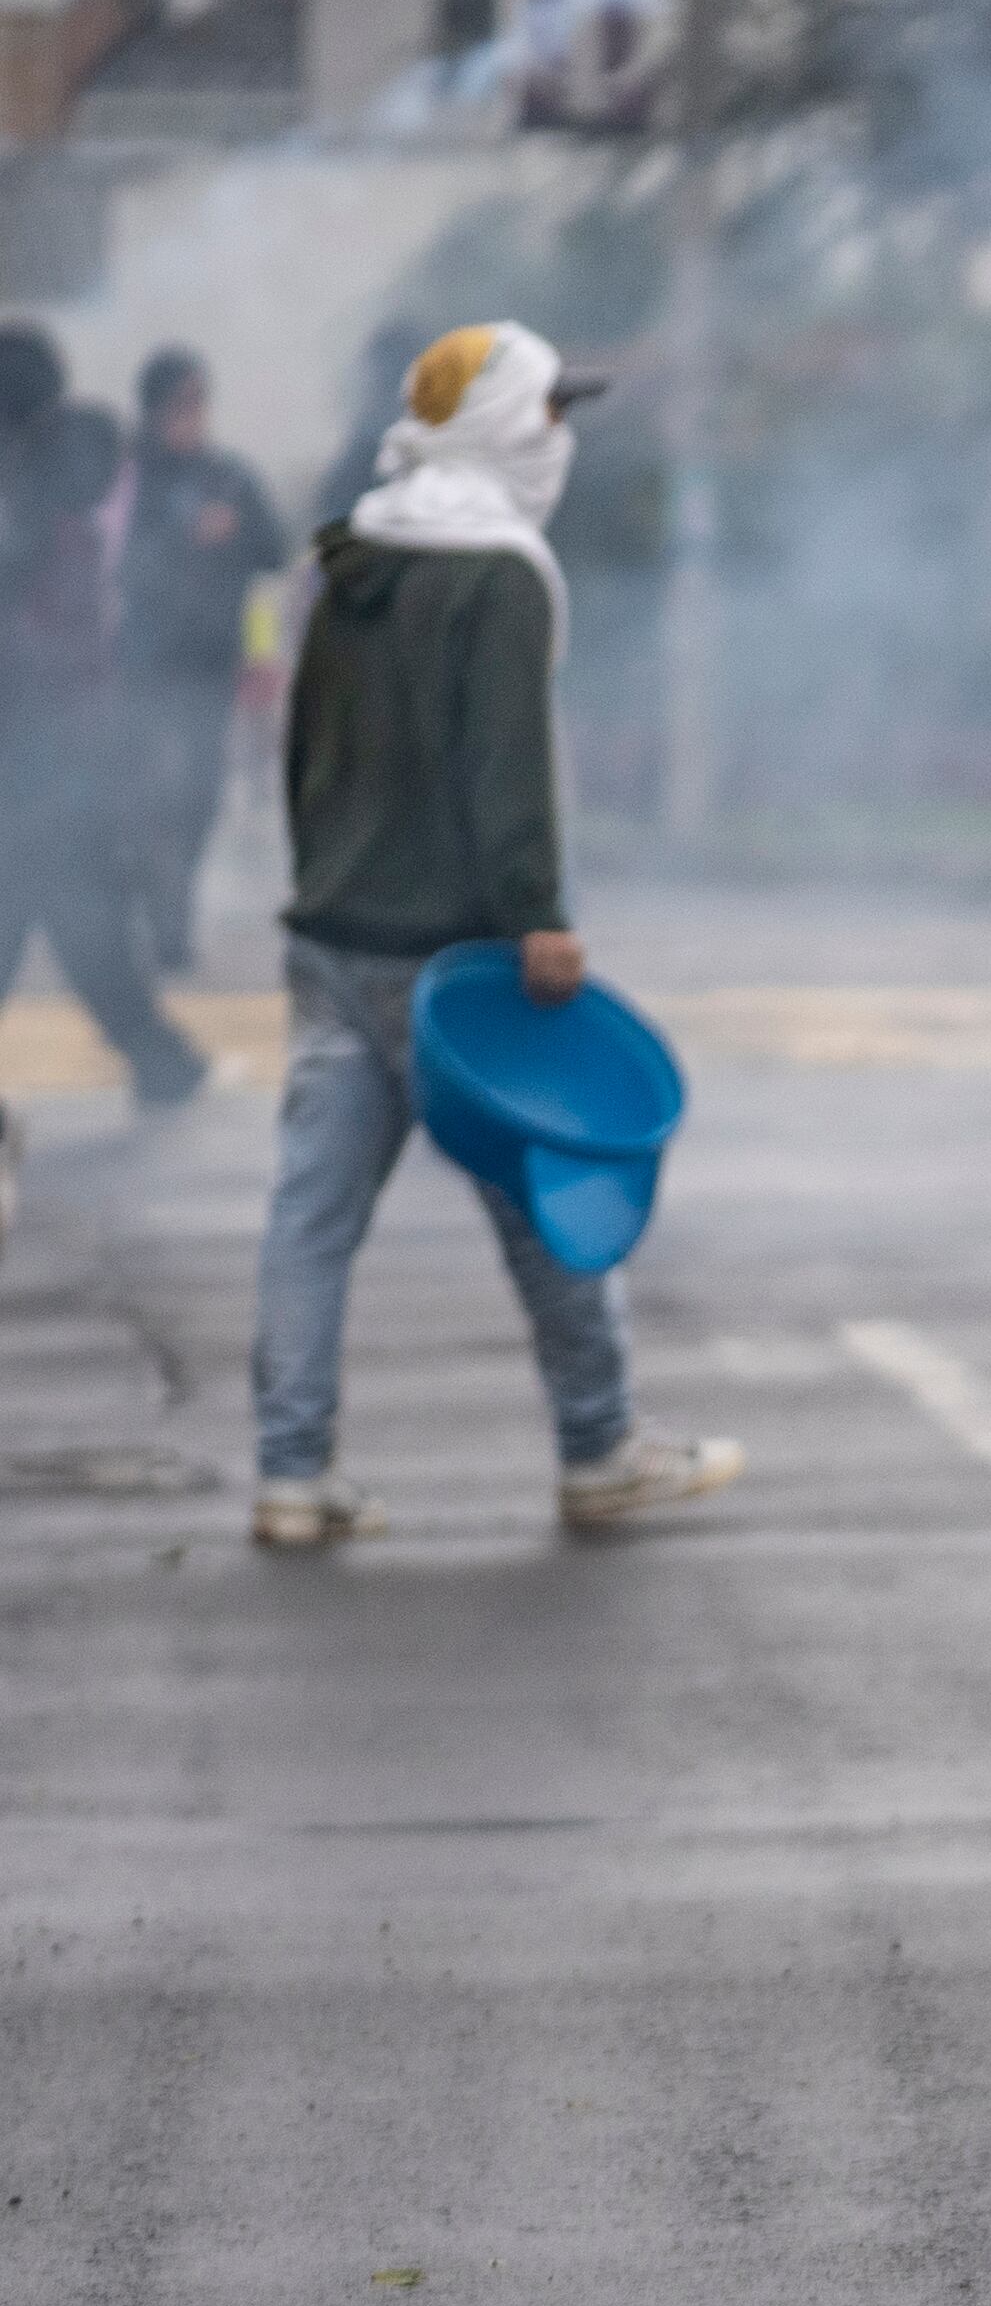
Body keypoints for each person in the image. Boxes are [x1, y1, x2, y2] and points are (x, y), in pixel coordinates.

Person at [250, 321, 736, 1546]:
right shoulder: (500, 572)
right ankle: (599, 1446)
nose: (561, 435)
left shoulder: (355, 551)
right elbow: (505, 764)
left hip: (331, 937)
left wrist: (322, 881)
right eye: (550, 411)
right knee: (546, 1196)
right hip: (456, 959)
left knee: (310, 1221)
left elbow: (303, 750)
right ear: (508, 426)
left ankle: (291, 1476)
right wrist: (539, 917)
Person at [0, 326, 206, 1107]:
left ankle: (157, 1054)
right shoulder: (47, 487)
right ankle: (157, 1055)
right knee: (66, 908)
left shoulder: (37, 486)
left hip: (44, 753)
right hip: (50, 753)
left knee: (63, 908)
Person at [117, 348, 284, 971]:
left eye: (198, 404)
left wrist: (232, 531)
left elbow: (274, 547)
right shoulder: (129, 482)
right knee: (151, 794)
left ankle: (171, 912)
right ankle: (160, 921)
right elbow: (116, 562)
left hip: (211, 668)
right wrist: (180, 538)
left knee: (198, 797)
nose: (190, 419)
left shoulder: (229, 478)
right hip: (143, 668)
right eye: (178, 406)